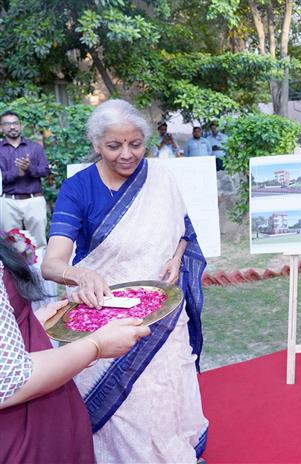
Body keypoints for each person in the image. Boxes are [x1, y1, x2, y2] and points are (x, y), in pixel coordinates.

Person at [41, 99, 209, 462]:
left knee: (165, 400)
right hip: (102, 319)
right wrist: (78, 273)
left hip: (162, 316)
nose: (127, 154)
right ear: (96, 145)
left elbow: (184, 231)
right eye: (114, 146)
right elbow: (51, 264)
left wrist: (176, 258)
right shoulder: (77, 189)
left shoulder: (160, 179)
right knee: (123, 416)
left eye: (135, 144)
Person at [0, 238, 150, 463]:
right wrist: (95, 345)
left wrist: (26, 325)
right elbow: (10, 379)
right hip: (22, 435)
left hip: (47, 416)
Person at [0, 111, 51, 248]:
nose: (12, 127)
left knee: (39, 242)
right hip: (8, 201)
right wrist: (16, 172)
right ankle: (14, 270)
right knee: (10, 245)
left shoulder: (34, 147)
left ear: (20, 126)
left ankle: (40, 270)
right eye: (7, 124)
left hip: (34, 200)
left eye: (15, 123)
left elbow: (45, 170)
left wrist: (29, 168)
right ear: (1, 128)